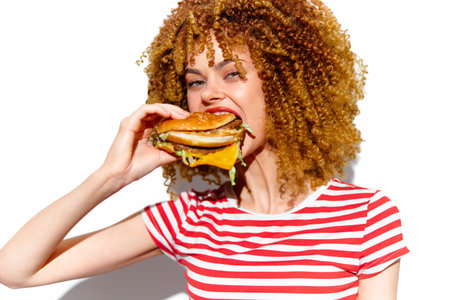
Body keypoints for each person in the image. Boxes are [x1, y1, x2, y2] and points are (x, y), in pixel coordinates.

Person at [0, 0, 409, 299]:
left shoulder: (365, 215)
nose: (210, 94)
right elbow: (17, 271)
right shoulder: (191, 218)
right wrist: (112, 177)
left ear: (284, 85)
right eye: (196, 82)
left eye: (231, 74)